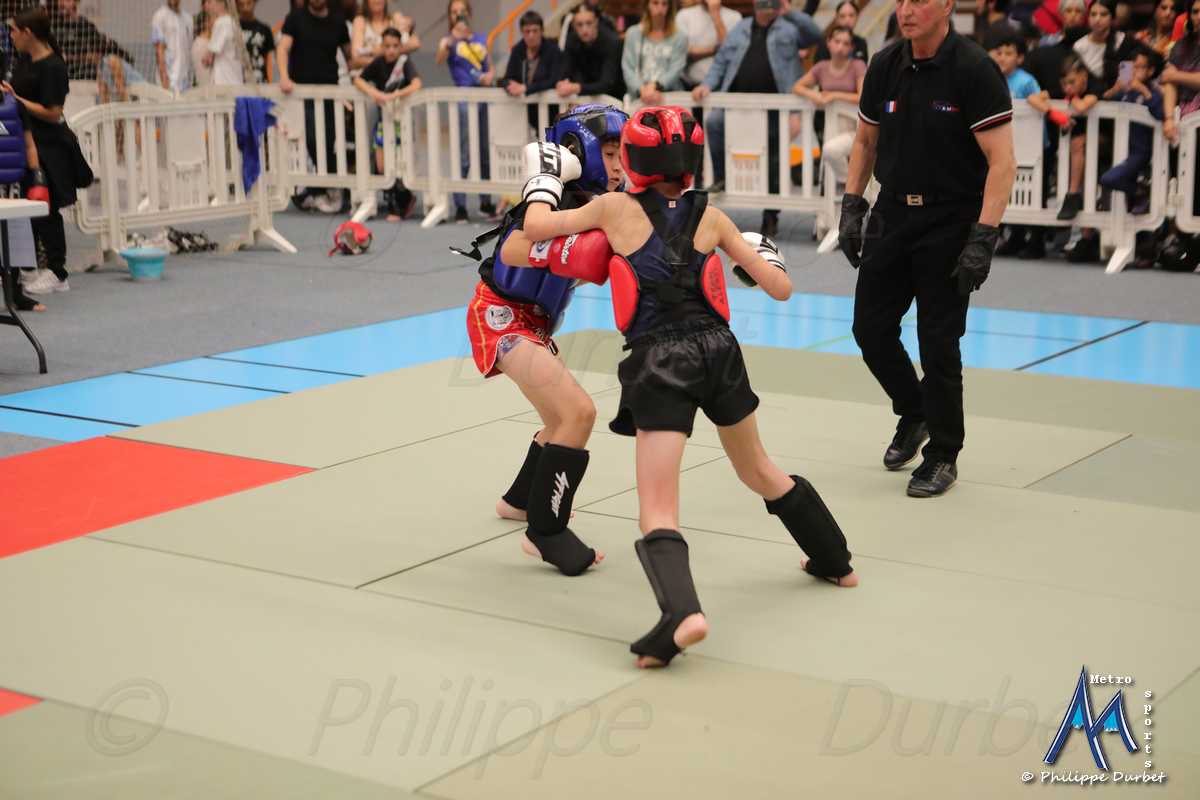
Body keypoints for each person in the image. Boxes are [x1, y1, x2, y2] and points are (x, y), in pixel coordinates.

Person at [509, 105, 858, 669]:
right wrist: (764, 257)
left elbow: (534, 230)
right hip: (721, 352)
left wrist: (543, 181)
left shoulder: (613, 208)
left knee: (657, 507)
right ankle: (835, 560)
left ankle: (682, 615)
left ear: (635, 159)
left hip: (660, 361)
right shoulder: (713, 217)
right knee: (758, 468)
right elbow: (781, 289)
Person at [838, 0, 1016, 497]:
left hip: (951, 219)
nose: (906, 9)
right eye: (901, 0)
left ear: (947, 6)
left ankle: (943, 453)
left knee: (938, 342)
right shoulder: (884, 66)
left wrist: (983, 238)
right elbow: (865, 142)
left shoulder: (974, 70)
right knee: (870, 328)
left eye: (919, 0)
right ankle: (914, 411)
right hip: (893, 212)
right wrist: (852, 205)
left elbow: (1002, 162)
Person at [457, 105, 630, 577]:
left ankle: (518, 502)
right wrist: (567, 248)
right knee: (579, 413)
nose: (618, 166)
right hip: (500, 316)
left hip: (532, 323)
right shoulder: (552, 198)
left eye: (623, 155)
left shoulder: (602, 202)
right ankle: (545, 531)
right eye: (609, 154)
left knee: (558, 419)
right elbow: (512, 250)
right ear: (581, 152)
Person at [691, 0, 822, 238]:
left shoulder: (789, 29)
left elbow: (816, 35)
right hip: (737, 104)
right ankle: (721, 177)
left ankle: (770, 215)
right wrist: (707, 84)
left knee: (773, 159)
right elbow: (721, 60)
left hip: (776, 108)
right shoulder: (740, 28)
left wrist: (790, 12)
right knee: (714, 122)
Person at [3, 7, 76, 297]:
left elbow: (53, 112)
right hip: (24, 144)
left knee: (47, 209)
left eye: (14, 31)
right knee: (25, 209)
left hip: (49, 148)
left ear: (28, 33)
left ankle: (58, 272)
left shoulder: (54, 67)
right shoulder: (23, 60)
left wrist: (16, 100)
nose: (10, 35)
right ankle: (28, 267)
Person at [278, 0, 353, 212]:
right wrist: (283, 76)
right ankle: (325, 188)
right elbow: (283, 48)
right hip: (301, 93)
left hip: (330, 92)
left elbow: (350, 57)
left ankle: (331, 188)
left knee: (328, 141)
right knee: (311, 139)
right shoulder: (295, 18)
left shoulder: (338, 21)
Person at [987, 28, 1052, 258]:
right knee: (1010, 192)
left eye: (1009, 53)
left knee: (1036, 194)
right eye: (999, 53)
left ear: (1020, 58)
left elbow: (1041, 101)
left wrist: (1041, 99)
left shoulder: (1026, 81)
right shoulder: (991, 79)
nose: (1003, 58)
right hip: (1006, 146)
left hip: (1035, 148)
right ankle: (1014, 238)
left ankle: (1037, 241)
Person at [353, 27, 421, 220]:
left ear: (400, 47)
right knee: (382, 165)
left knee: (399, 164)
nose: (391, 50)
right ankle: (395, 199)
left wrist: (395, 95)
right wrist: (375, 93)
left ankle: (398, 204)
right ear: (382, 46)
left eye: (395, 46)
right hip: (383, 122)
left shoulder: (404, 63)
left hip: (401, 122)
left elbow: (416, 84)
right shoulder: (378, 63)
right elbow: (358, 80)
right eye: (387, 46)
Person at [437, 0, 496, 223]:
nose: (459, 15)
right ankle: (460, 204)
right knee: (463, 151)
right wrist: (452, 40)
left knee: (484, 149)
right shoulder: (448, 40)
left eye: (462, 11)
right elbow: (439, 60)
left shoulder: (480, 38)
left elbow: (489, 66)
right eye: (454, 12)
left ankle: (485, 201)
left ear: (469, 13)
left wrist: (489, 75)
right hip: (463, 97)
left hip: (483, 96)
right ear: (449, 16)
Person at [792, 25, 866, 186]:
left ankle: (851, 186)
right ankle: (850, 186)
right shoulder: (822, 67)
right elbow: (797, 87)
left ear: (851, 47)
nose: (840, 47)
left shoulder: (858, 65)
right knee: (830, 153)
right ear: (829, 43)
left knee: (833, 151)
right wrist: (815, 95)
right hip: (830, 126)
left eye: (846, 43)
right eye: (837, 41)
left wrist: (833, 95)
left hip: (855, 127)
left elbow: (863, 96)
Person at [1099, 47, 1163, 213]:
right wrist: (1116, 88)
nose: (1134, 71)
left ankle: (1142, 192)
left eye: (1140, 67)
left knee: (1108, 179)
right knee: (1110, 182)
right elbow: (1105, 100)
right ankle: (1139, 193)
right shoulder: (1127, 93)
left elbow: (1160, 113)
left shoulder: (1153, 91)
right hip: (1121, 148)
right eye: (1132, 67)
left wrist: (1143, 90)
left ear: (1150, 71)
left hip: (1141, 152)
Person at [622, 0, 689, 106]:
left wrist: (655, 86)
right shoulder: (633, 33)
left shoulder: (680, 36)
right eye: (655, 3)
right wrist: (641, 89)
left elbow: (676, 69)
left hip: (669, 96)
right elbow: (627, 67)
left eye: (664, 4)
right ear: (647, 5)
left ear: (670, 8)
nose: (660, 8)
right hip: (638, 98)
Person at [558, 3, 626, 100]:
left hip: (613, 98)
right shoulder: (572, 40)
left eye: (589, 23)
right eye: (579, 24)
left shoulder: (611, 42)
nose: (584, 29)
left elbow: (607, 83)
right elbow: (565, 71)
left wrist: (577, 88)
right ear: (573, 25)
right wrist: (562, 83)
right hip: (584, 98)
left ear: (596, 22)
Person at [675, 0, 742, 89]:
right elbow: (682, 51)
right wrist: (715, 50)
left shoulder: (735, 17)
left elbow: (729, 52)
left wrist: (716, 15)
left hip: (722, 87)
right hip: (689, 84)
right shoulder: (684, 15)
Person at [350, 0, 419, 74]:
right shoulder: (360, 21)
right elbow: (356, 57)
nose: (377, 1)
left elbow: (415, 43)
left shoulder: (395, 19)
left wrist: (382, 51)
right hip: (368, 74)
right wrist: (386, 59)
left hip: (395, 74)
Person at [152, 0, 194, 93]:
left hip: (185, 80)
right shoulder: (160, 16)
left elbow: (189, 49)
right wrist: (164, 77)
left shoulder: (188, 18)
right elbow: (159, 49)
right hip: (168, 80)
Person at [203, 0, 245, 86]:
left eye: (209, 2)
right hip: (236, 79)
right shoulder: (233, 22)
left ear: (221, 3)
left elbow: (208, 58)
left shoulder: (221, 23)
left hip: (224, 81)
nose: (206, 6)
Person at [238, 0, 277, 83]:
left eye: (248, 3)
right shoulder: (233, 28)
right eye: (241, 4)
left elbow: (270, 59)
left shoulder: (264, 29)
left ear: (254, 3)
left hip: (260, 80)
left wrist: (270, 81)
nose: (245, 8)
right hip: (237, 80)